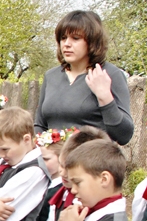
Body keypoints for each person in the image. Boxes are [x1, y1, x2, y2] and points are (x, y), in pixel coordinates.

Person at [34, 10, 133, 146]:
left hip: (91, 162)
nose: (67, 44)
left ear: (92, 41)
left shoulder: (110, 74)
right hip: (52, 163)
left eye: (75, 38)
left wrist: (105, 98)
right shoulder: (51, 76)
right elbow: (40, 125)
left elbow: (124, 135)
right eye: (63, 38)